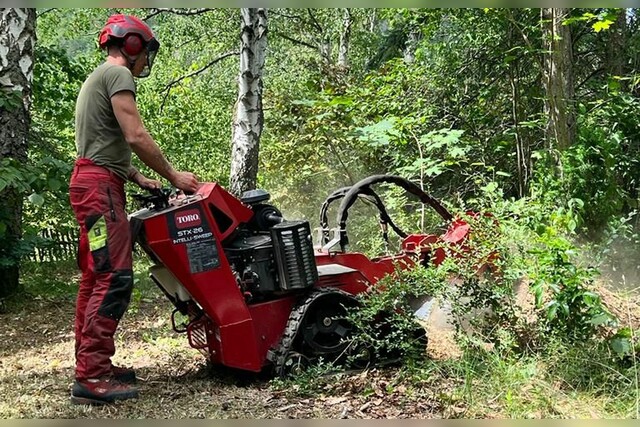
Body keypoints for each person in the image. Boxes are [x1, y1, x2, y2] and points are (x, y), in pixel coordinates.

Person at [68, 14, 199, 405]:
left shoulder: (96, 78)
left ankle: (93, 367)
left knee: (96, 276)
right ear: (133, 45)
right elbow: (134, 134)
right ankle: (92, 376)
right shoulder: (118, 76)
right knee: (113, 278)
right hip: (100, 192)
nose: (145, 61)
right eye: (146, 52)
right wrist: (175, 175)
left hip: (91, 184)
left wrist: (136, 176)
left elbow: (101, 143)